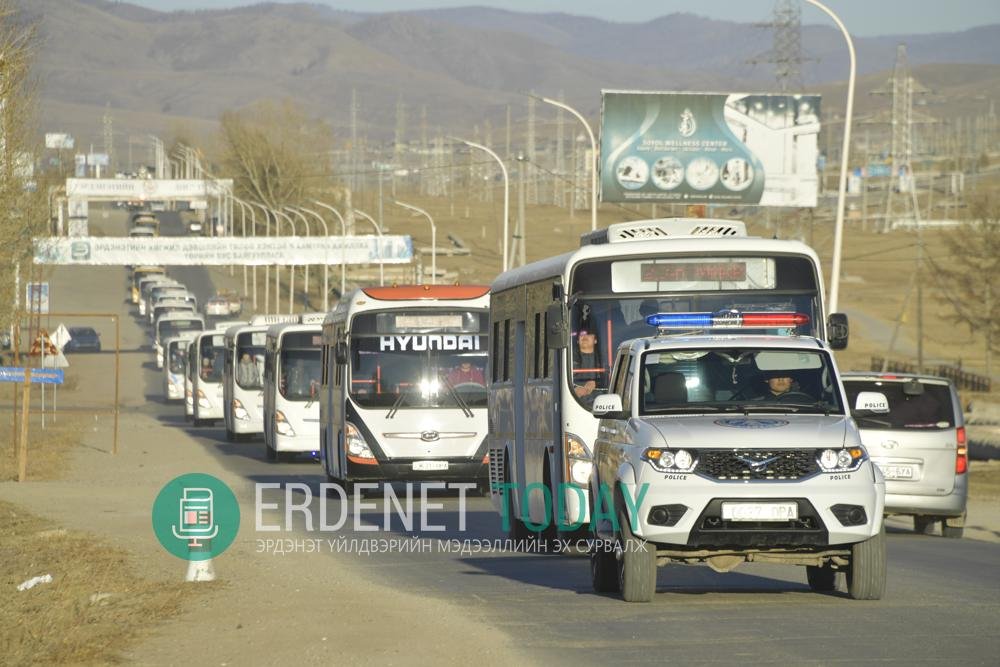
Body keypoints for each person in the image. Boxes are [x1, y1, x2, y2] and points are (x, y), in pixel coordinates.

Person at [573, 328, 604, 400]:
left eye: (589, 333)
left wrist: (596, 384)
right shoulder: (569, 358)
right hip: (574, 402)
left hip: (600, 402)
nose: (585, 336)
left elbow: (611, 380)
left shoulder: (603, 359)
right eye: (581, 334)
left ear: (595, 340)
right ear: (577, 340)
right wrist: (574, 389)